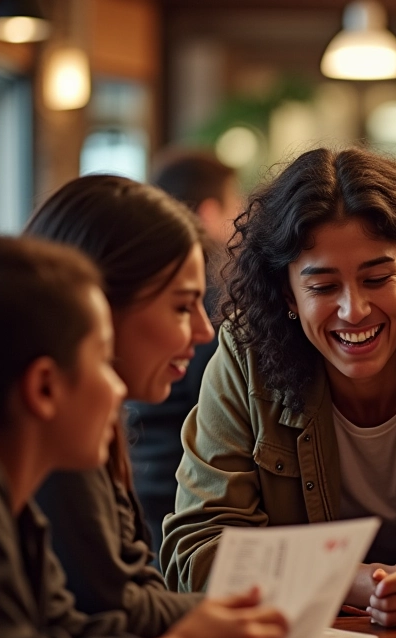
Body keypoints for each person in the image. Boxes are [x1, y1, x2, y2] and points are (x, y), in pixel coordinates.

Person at [162, 145, 396, 628]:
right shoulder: (246, 354)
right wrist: (364, 581)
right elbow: (198, 553)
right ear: (286, 293)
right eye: (322, 287)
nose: (353, 310)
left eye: (377, 278)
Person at [0, 234, 286, 638]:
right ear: (44, 389)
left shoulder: (6, 498)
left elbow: (69, 634)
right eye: (104, 363)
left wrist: (209, 631)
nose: (117, 390)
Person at [24, 174, 215, 637]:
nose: (205, 331)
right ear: (98, 306)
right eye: (183, 307)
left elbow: (131, 591)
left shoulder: (96, 426)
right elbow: (110, 606)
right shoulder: (50, 437)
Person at [129, 149, 241, 558]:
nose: (201, 330)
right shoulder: (214, 289)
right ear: (210, 213)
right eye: (236, 208)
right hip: (174, 495)